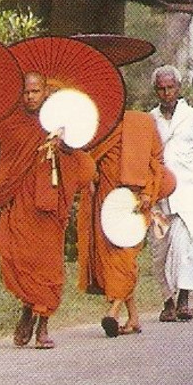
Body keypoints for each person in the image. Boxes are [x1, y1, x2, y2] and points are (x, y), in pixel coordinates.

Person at [0, 71, 94, 349]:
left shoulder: (61, 122)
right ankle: (28, 308)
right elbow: (8, 164)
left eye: (35, 92)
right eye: (26, 92)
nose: (30, 97)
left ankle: (43, 324)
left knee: (48, 264)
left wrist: (64, 146)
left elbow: (81, 165)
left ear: (45, 92)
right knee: (19, 260)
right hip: (22, 203)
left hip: (49, 206)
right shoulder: (15, 123)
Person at [77, 106, 173, 336]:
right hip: (106, 203)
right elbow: (90, 166)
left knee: (126, 256)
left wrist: (149, 192)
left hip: (135, 201)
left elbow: (155, 163)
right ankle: (134, 319)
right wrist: (90, 177)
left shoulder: (141, 123)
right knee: (112, 257)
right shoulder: (98, 128)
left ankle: (114, 310)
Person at [149, 65, 193, 322]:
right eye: (161, 89)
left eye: (170, 88)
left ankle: (184, 299)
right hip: (158, 195)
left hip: (188, 193)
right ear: (156, 91)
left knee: (185, 245)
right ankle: (167, 300)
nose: (166, 93)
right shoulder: (149, 119)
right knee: (159, 251)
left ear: (178, 88)